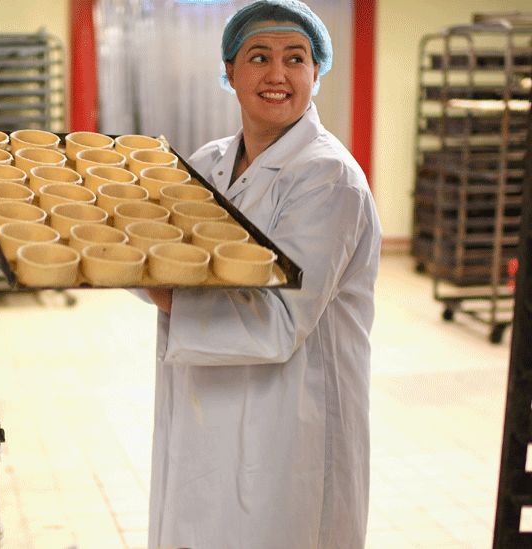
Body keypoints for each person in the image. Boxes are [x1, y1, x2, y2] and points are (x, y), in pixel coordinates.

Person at [142, 1, 381, 547]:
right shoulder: (207, 164)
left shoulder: (328, 178)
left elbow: (276, 323)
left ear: (316, 72)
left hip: (292, 419)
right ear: (229, 72)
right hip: (206, 405)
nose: (278, 74)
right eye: (258, 57)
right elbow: (160, 255)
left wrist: (163, 291)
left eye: (295, 59)